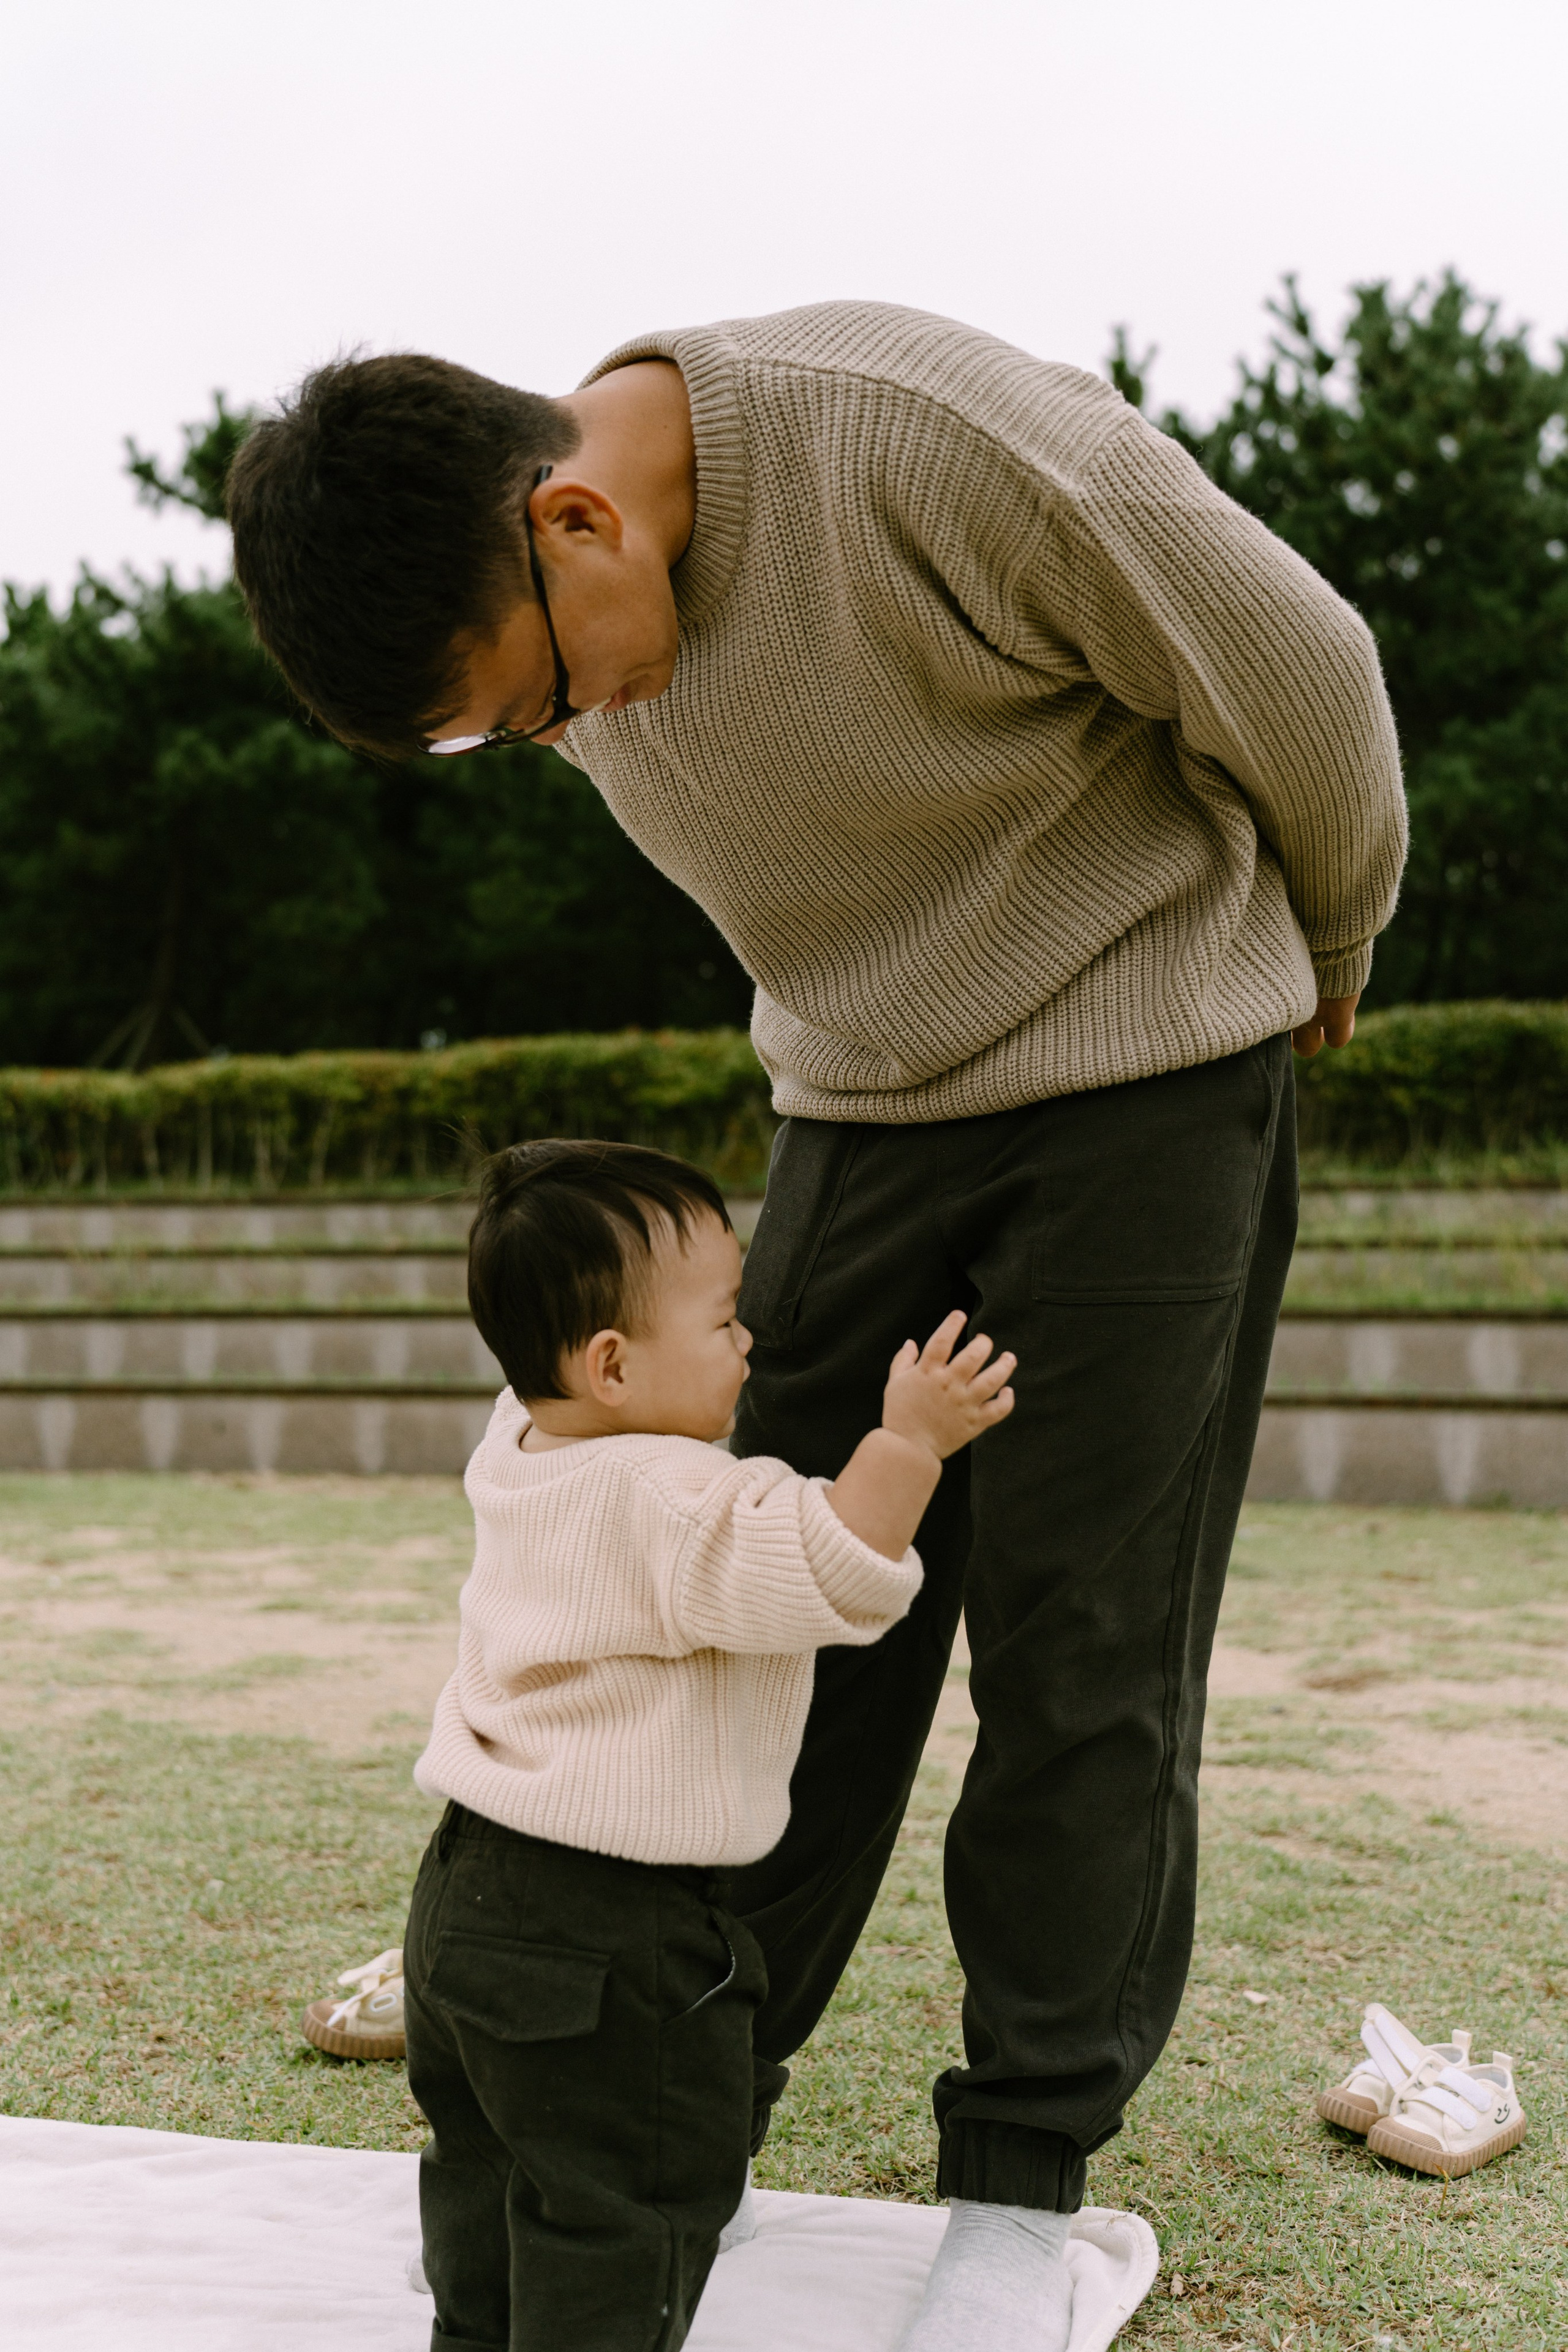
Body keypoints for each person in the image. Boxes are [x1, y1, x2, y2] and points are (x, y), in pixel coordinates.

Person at [227, 301, 1407, 2352]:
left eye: (527, 706)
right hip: (861, 1105)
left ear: (578, 520)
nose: (556, 742)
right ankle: (686, 2120)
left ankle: (1019, 2187)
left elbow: (1305, 669)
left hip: (1149, 1069)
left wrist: (1331, 930)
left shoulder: (927, 438)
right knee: (760, 1603)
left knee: (1082, 1652)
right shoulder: (578, 622)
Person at [401, 1136, 1012, 2352]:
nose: (750, 1344)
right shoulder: (679, 1502)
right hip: (611, 1930)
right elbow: (834, 1563)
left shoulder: (513, 1446)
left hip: (461, 1897)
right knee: (625, 2204)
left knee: (487, 2167)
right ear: (612, 1365)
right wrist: (909, 1443)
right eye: (726, 1320)